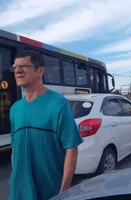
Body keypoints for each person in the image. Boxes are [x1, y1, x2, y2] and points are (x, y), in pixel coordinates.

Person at [9, 50, 83, 200]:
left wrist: (64, 191)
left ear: (40, 71)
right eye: (15, 67)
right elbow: (15, 150)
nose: (17, 70)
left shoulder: (58, 103)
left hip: (51, 192)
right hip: (19, 193)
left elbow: (71, 149)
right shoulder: (15, 109)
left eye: (23, 66)